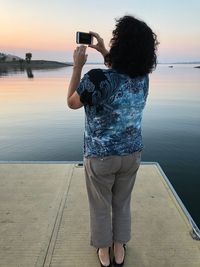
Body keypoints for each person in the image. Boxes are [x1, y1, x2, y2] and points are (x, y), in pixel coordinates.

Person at [67, 15, 158, 267]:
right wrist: (103, 49)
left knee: (100, 205)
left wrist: (77, 67)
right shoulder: (143, 79)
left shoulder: (97, 79)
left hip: (100, 156)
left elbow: (72, 102)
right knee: (122, 203)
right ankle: (119, 249)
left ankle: (104, 254)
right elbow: (121, 71)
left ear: (121, 45)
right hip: (132, 155)